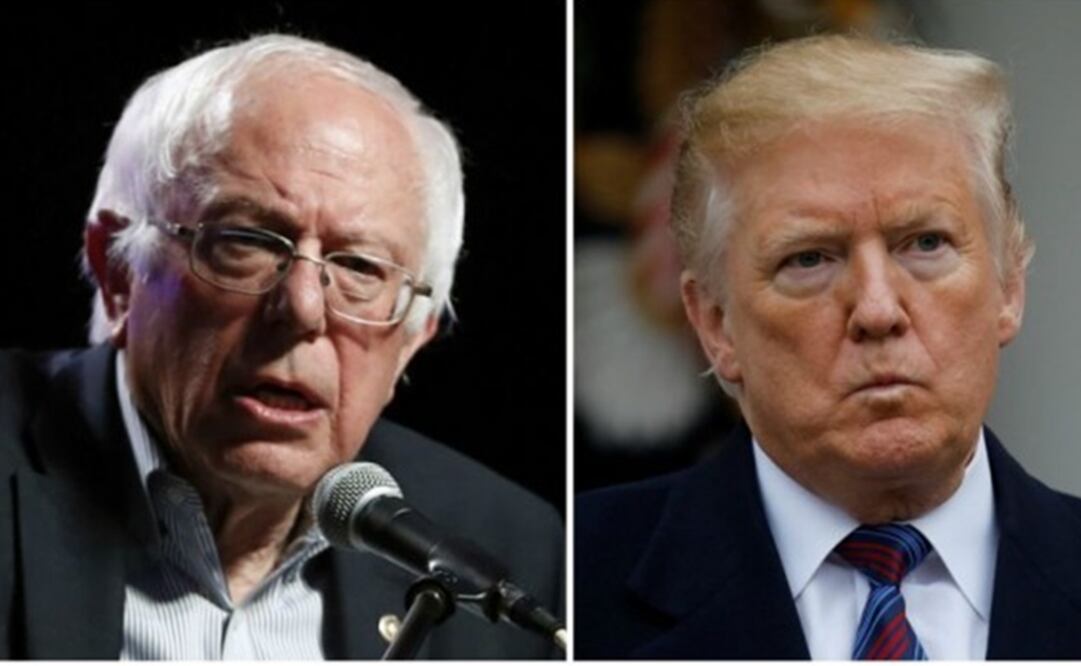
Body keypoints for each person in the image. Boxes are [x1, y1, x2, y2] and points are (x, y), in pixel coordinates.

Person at [0, 34, 562, 659]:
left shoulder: (513, 553)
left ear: (412, 337)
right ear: (118, 272)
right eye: (248, 241)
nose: (302, 308)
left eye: (360, 268)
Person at [576, 34, 1081, 659]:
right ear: (714, 323)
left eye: (925, 244)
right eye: (809, 258)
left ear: (1009, 285)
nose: (876, 309)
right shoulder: (567, 580)